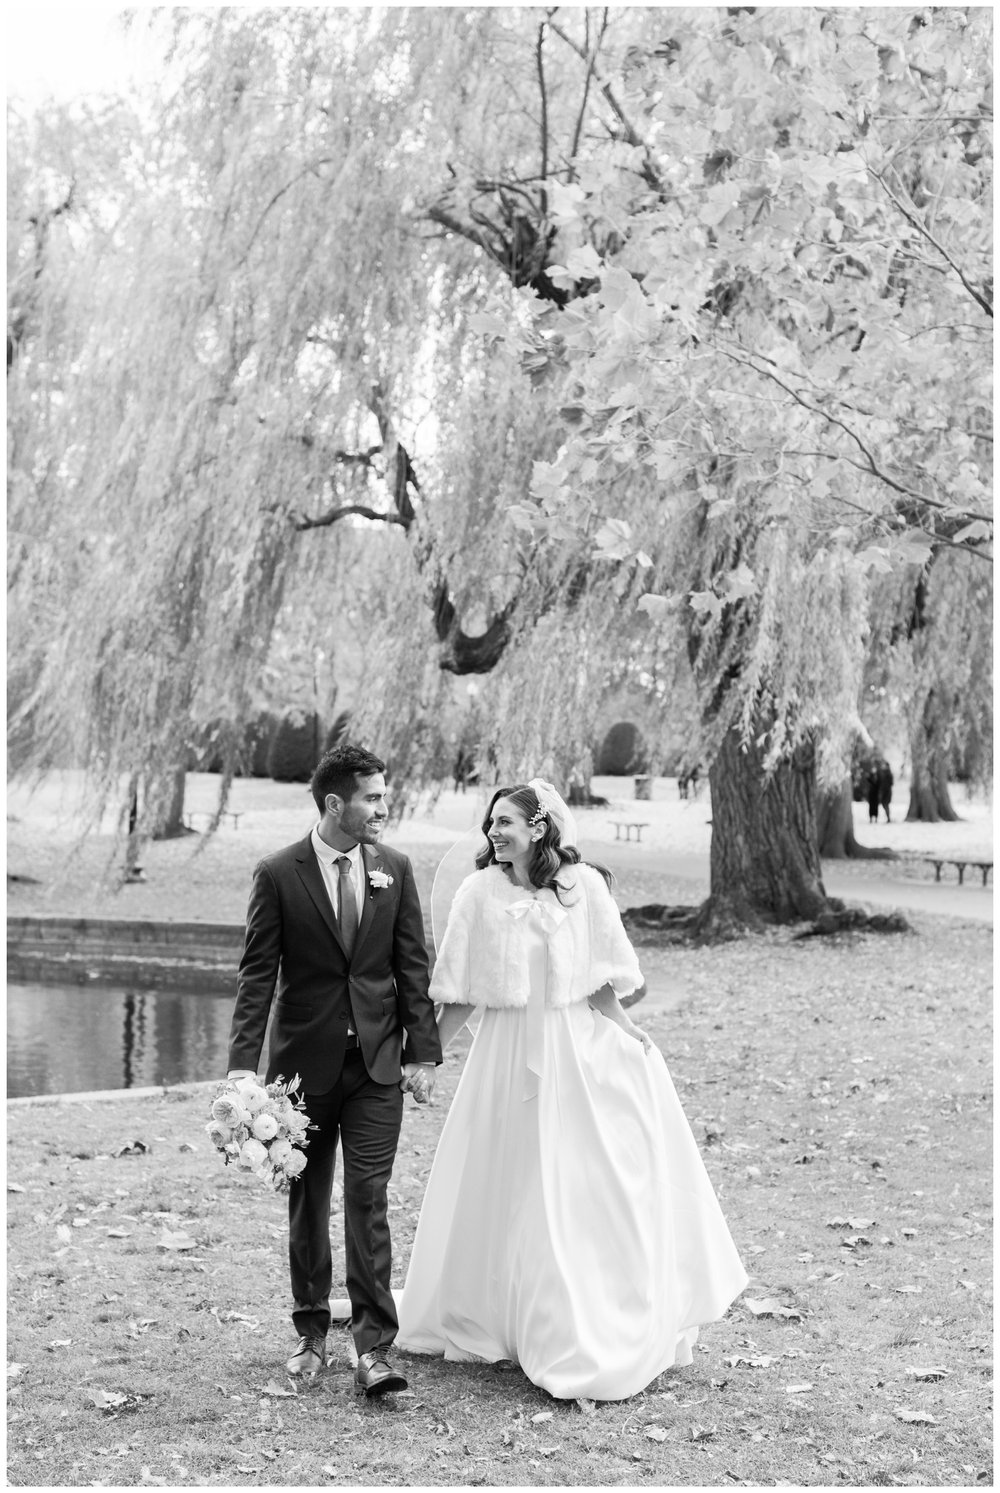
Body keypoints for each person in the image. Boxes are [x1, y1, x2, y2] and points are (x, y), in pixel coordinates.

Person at [392, 778, 748, 1402]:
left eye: (505, 822)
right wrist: (426, 1058)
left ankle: (574, 1320)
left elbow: (601, 981)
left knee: (574, 1184)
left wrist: (632, 1034)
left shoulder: (584, 888)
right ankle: (494, 1311)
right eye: (490, 823)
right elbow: (460, 990)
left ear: (538, 827)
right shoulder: (477, 894)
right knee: (505, 1180)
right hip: (503, 1059)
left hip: (572, 1054)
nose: (493, 832)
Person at [226, 743, 442, 1397]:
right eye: (373, 796)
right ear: (334, 803)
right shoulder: (278, 873)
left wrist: (422, 1051)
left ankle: (373, 1346)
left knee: (368, 1202)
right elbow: (257, 976)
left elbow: (412, 966)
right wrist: (243, 1073)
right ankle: (310, 1332)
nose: (384, 806)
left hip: (376, 1067)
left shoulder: (395, 869)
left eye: (384, 794)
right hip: (301, 1076)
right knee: (308, 1201)